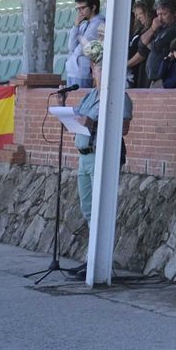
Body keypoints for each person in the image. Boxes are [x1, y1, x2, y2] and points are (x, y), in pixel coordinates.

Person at [71, 41, 130, 236]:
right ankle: (92, 256)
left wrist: (93, 124)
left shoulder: (119, 96)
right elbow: (78, 119)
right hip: (84, 156)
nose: (97, 73)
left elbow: (122, 129)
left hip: (101, 156)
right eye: (95, 69)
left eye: (101, 69)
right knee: (87, 207)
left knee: (100, 208)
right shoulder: (90, 96)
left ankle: (100, 256)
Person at [65, 0, 104, 90]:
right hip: (73, 70)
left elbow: (80, 50)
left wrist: (75, 50)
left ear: (93, 7)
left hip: (83, 71)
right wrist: (76, 26)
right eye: (77, 9)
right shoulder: (83, 24)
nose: (79, 12)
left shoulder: (98, 23)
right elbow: (71, 46)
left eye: (82, 8)